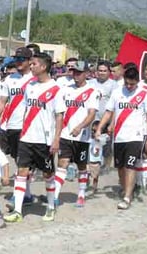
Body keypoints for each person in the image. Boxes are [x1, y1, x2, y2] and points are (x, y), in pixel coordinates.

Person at [4, 52, 65, 223]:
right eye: (30, 64)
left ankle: (51, 207)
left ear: (44, 67)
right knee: (21, 172)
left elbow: (59, 116)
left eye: (34, 64)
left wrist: (56, 139)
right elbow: (24, 109)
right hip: (26, 138)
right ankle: (17, 210)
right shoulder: (30, 86)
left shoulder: (55, 89)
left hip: (44, 141)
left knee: (47, 174)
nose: (31, 67)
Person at [96, 67, 147, 209]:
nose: (129, 87)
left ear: (137, 82)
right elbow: (109, 112)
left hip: (135, 136)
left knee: (130, 166)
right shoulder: (117, 93)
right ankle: (126, 188)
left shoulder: (144, 94)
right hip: (119, 137)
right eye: (127, 84)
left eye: (132, 84)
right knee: (120, 167)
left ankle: (127, 196)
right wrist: (100, 127)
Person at [0, 47, 36, 211]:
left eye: (22, 59)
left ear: (30, 61)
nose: (18, 62)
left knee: (21, 162)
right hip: (7, 126)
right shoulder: (9, 79)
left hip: (25, 128)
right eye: (16, 59)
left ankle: (23, 194)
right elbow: (2, 102)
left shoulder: (36, 80)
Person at [53, 61, 100, 208]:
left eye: (79, 72)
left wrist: (80, 127)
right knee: (63, 164)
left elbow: (92, 114)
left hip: (82, 137)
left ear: (86, 74)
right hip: (66, 134)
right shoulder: (65, 90)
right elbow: (59, 112)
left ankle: (81, 194)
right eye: (74, 72)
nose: (76, 75)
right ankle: (54, 196)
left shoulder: (92, 91)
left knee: (81, 166)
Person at [88, 121, 109, 194]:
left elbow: (106, 139)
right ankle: (86, 183)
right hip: (89, 161)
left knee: (96, 177)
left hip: (97, 161)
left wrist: (98, 137)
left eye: (96, 131)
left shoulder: (102, 139)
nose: (94, 132)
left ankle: (94, 188)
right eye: (93, 130)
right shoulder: (89, 139)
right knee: (87, 174)